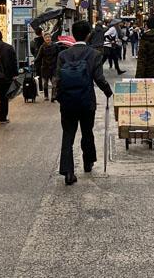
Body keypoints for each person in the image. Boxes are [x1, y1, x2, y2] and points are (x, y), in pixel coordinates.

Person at [55, 20, 112, 185]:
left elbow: (57, 80)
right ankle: (88, 161)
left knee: (68, 135)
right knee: (87, 131)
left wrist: (60, 98)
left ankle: (68, 171)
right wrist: (108, 91)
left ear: (73, 35)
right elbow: (99, 78)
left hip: (68, 103)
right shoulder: (94, 54)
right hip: (86, 101)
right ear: (88, 35)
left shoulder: (63, 55)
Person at [34, 33, 58, 101]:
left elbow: (59, 55)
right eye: (46, 37)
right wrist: (34, 61)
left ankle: (53, 96)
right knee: (45, 83)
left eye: (49, 37)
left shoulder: (55, 46)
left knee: (54, 82)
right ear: (44, 39)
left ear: (51, 38)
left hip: (54, 67)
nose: (48, 39)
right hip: (45, 67)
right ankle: (46, 96)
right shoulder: (42, 47)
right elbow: (39, 56)